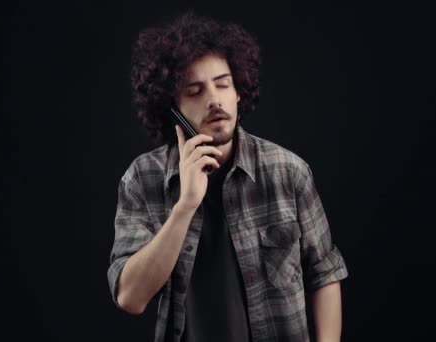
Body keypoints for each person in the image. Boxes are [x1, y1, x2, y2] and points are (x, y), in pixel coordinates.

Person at [107, 11, 348, 342]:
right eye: (194, 91)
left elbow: (325, 273)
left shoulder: (288, 171)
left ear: (238, 91)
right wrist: (185, 205)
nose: (214, 100)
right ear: (172, 107)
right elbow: (130, 297)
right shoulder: (142, 179)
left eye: (222, 84)